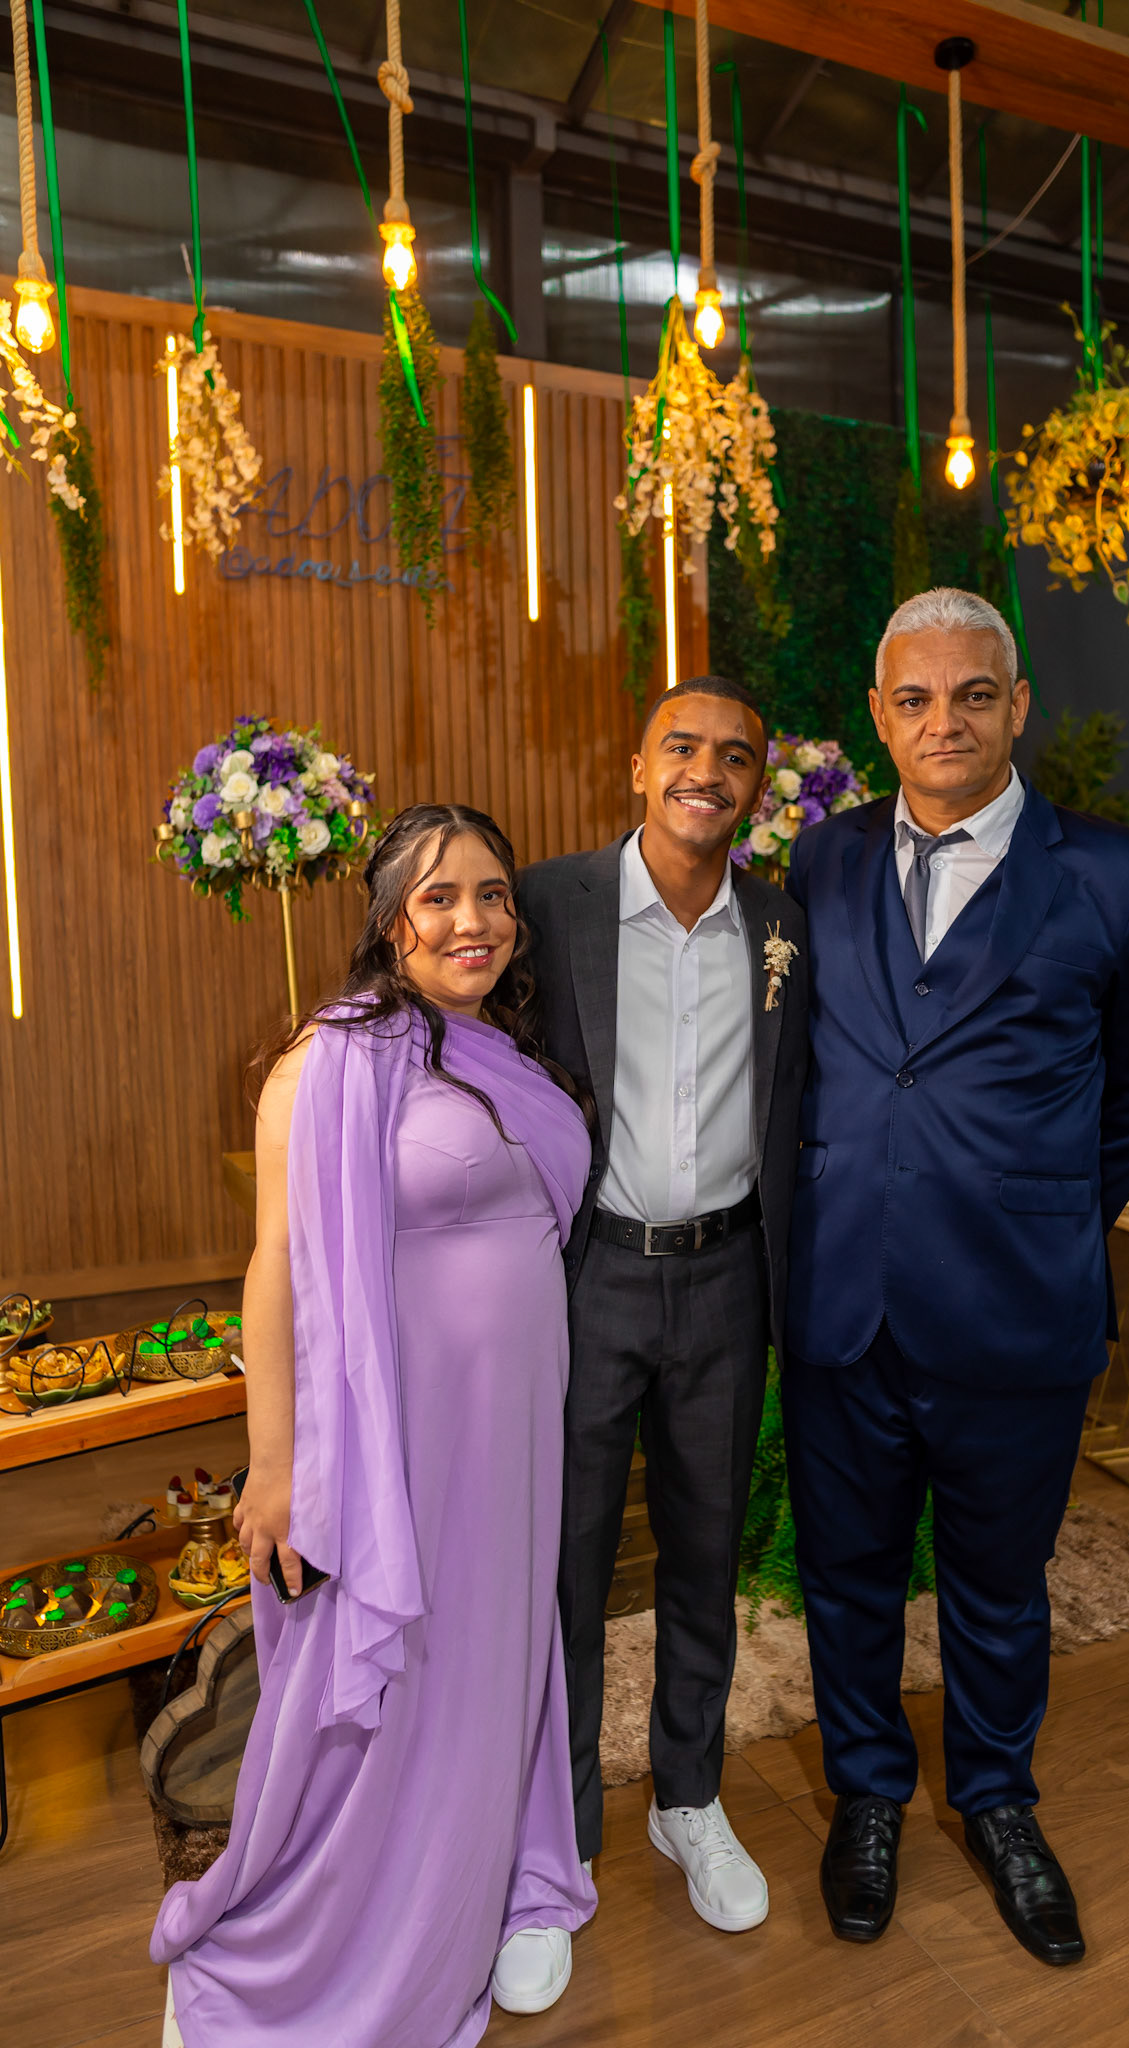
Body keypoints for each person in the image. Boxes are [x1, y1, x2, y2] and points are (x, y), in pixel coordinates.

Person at [783, 589, 1129, 1964]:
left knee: (1000, 1586)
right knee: (847, 1577)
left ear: (1016, 705)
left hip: (1018, 1309)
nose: (944, 721)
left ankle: (999, 1801)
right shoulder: (822, 860)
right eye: (915, 698)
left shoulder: (1120, 877)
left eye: (973, 693)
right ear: (879, 716)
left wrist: (1052, 1208)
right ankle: (866, 1796)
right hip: (844, 1302)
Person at [152, 804, 597, 2047]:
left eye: (493, 893)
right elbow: (275, 1263)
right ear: (391, 917)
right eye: (439, 895)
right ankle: (341, 1944)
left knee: (500, 1652)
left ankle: (503, 1871)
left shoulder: (505, 1047)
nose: (474, 919)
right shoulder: (333, 1055)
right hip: (406, 1434)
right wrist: (277, 1465)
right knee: (403, 1678)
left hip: (515, 1425)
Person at [516, 674, 807, 1934]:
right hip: (588, 1278)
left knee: (703, 1555)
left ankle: (687, 1794)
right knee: (566, 1569)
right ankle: (556, 1842)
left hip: (730, 1279)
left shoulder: (783, 923)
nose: (707, 769)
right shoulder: (548, 903)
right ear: (637, 767)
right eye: (681, 746)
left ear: (757, 786)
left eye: (734, 755)